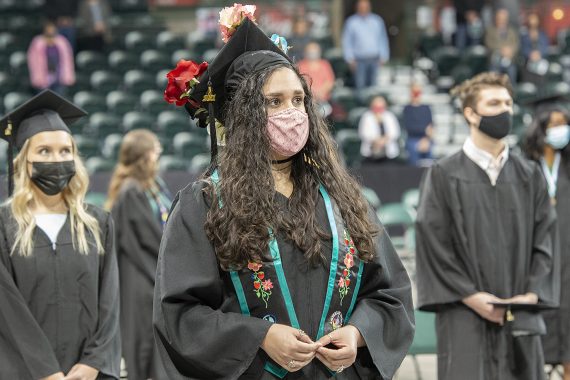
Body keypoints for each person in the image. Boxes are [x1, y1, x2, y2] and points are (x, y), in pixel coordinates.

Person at [153, 7, 414, 379]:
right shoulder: (205, 203)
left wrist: (358, 334)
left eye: (297, 100)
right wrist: (259, 335)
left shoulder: (340, 198)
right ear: (244, 116)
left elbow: (391, 294)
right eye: (274, 102)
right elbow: (179, 313)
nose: (291, 113)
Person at [415, 72, 559, 380]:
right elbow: (433, 244)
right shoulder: (443, 174)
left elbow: (544, 240)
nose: (505, 110)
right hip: (464, 312)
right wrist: (471, 296)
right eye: (494, 103)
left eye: (508, 103)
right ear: (470, 113)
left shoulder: (529, 174)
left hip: (520, 310)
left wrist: (533, 293)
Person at [0, 90, 120, 379]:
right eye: (44, 151)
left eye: (65, 150)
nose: (57, 159)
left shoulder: (97, 222)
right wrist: (46, 371)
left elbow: (110, 302)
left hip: (88, 374)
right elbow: (7, 310)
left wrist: (94, 362)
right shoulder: (4, 226)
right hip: (24, 371)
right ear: (23, 161)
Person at [105, 129, 171, 380]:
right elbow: (145, 239)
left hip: (154, 272)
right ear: (143, 157)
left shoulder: (153, 185)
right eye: (155, 151)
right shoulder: (130, 191)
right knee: (142, 343)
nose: (158, 157)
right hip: (140, 278)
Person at [522, 105, 570, 380]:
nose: (561, 129)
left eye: (564, 123)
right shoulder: (525, 166)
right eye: (555, 124)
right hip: (536, 252)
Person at [342, 0, 390, 91]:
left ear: (369, 7)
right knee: (360, 88)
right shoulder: (351, 22)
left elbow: (383, 39)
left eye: (365, 6)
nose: (363, 8)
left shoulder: (377, 21)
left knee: (374, 87)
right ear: (357, 7)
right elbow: (347, 42)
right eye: (361, 6)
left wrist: (384, 56)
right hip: (359, 60)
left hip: (375, 59)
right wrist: (349, 59)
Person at [28, 21, 75, 96]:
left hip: (59, 75)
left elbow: (68, 59)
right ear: (44, 30)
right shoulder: (38, 42)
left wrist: (69, 76)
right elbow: (32, 61)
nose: (50, 31)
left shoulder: (62, 41)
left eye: (52, 29)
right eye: (48, 29)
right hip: (43, 76)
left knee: (59, 100)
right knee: (43, 100)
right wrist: (36, 77)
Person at [297, 42, 335, 117]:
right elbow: (301, 82)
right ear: (305, 52)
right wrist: (313, 93)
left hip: (324, 100)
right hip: (308, 100)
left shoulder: (325, 64)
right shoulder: (300, 65)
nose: (313, 53)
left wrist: (321, 92)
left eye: (315, 50)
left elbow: (330, 81)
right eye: (310, 51)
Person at [358, 95, 401, 163]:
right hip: (371, 153)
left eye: (381, 107)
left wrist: (384, 140)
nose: (378, 109)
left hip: (388, 153)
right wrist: (376, 140)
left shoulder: (390, 116)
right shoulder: (367, 117)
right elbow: (363, 133)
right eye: (376, 107)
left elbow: (395, 133)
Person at [402, 83, 434, 166]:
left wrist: (426, 139)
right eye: (414, 93)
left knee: (429, 154)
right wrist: (424, 130)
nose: (416, 95)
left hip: (426, 139)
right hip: (412, 138)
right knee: (412, 149)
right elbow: (409, 127)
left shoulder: (426, 108)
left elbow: (431, 126)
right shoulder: (407, 109)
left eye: (418, 93)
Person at [485, 8, 519, 82]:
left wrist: (510, 51)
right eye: (499, 18)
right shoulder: (490, 30)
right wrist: (502, 50)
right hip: (495, 61)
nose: (501, 21)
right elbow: (489, 44)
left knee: (512, 71)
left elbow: (516, 44)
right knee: (494, 73)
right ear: (496, 19)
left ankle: (511, 92)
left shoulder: (512, 31)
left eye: (504, 19)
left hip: (509, 60)